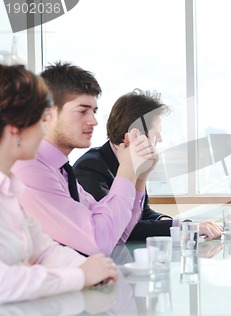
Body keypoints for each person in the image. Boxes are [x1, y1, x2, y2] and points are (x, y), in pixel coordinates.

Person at [0, 64, 117, 304]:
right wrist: (79, 275)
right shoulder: (26, 176)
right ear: (15, 130)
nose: (45, 129)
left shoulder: (11, 187)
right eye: (41, 120)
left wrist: (89, 267)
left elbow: (43, 249)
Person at [12, 62, 153, 256]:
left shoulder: (60, 171)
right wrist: (127, 170)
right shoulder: (31, 171)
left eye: (94, 111)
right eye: (82, 110)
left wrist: (139, 176)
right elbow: (99, 241)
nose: (94, 121)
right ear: (48, 112)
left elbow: (116, 235)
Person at [73, 89, 222, 240]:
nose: (160, 139)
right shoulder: (91, 167)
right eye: (156, 132)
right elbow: (119, 227)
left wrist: (167, 221)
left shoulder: (134, 163)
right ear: (135, 135)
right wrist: (184, 228)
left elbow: (142, 213)